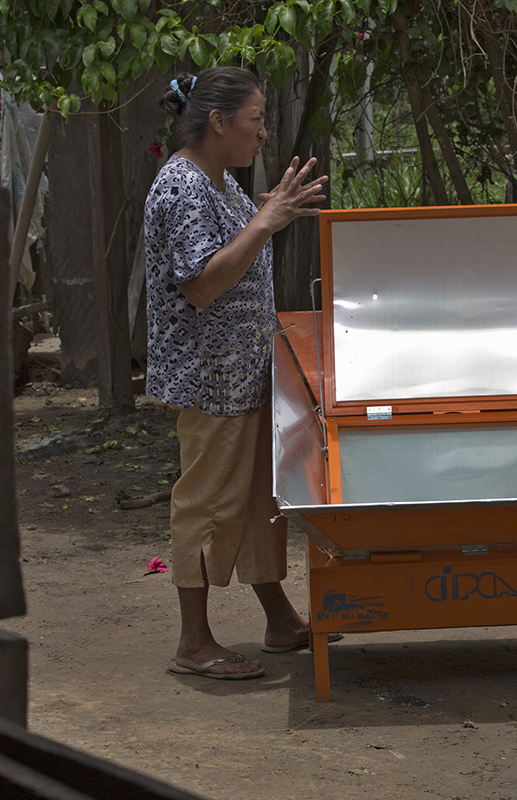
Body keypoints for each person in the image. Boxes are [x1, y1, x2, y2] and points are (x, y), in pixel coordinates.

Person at [144, 67, 329, 679]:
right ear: (218, 122)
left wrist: (266, 211)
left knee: (255, 502)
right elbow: (201, 285)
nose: (262, 131)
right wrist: (264, 220)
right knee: (207, 501)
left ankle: (279, 620)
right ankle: (191, 645)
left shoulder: (220, 183)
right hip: (209, 379)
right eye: (254, 119)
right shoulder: (181, 187)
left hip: (243, 375)